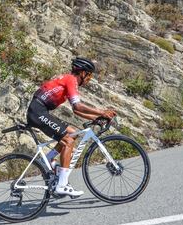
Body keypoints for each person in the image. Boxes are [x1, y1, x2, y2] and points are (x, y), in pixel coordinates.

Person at [26, 57, 116, 197]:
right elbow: (78, 106)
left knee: (73, 133)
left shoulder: (68, 79)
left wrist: (95, 118)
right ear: (83, 73)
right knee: (68, 141)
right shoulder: (71, 80)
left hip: (38, 111)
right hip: (37, 112)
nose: (89, 79)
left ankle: (49, 159)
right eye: (89, 75)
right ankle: (62, 185)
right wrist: (102, 112)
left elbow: (76, 110)